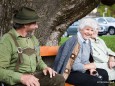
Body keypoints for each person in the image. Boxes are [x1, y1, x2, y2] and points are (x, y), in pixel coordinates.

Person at [0, 7, 65, 86]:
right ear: (25, 24)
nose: (37, 26)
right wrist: (21, 77)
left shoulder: (33, 39)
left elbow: (38, 60)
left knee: (58, 79)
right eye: (34, 23)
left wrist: (45, 68)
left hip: (33, 77)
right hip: (16, 81)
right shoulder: (7, 40)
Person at [53, 18, 109, 86]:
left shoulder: (87, 41)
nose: (89, 32)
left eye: (92, 30)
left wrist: (91, 69)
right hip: (69, 72)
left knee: (103, 73)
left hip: (81, 70)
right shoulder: (74, 42)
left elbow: (86, 60)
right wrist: (89, 66)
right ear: (80, 29)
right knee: (96, 81)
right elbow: (74, 66)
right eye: (87, 29)